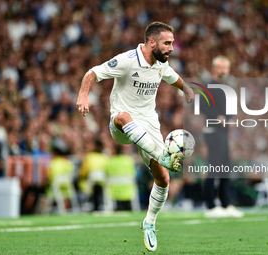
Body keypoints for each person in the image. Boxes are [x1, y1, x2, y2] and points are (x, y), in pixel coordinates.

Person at [76, 21, 194, 252]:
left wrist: (187, 90)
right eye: (167, 43)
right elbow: (93, 73)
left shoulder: (161, 63)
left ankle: (149, 222)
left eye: (172, 43)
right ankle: (163, 155)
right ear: (152, 42)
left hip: (149, 123)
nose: (171, 48)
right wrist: (83, 96)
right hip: (122, 124)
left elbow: (172, 77)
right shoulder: (127, 60)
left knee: (164, 180)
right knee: (122, 116)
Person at [201, 56, 244, 218]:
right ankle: (211, 205)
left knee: (226, 167)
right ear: (213, 68)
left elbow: (229, 111)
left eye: (225, 67)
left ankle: (226, 204)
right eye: (220, 67)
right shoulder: (208, 86)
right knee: (214, 167)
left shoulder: (225, 88)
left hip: (223, 132)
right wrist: (217, 116)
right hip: (212, 131)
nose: (223, 70)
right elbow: (202, 105)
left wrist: (230, 119)